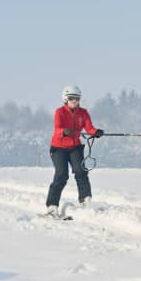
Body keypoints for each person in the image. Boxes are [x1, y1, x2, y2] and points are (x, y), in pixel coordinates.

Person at [44, 85, 104, 218]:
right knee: (61, 175)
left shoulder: (83, 113)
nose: (74, 101)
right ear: (65, 99)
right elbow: (57, 128)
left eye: (77, 98)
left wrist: (96, 132)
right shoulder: (59, 112)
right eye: (71, 98)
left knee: (81, 171)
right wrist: (64, 132)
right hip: (58, 148)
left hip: (75, 147)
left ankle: (85, 201)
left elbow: (89, 128)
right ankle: (52, 207)